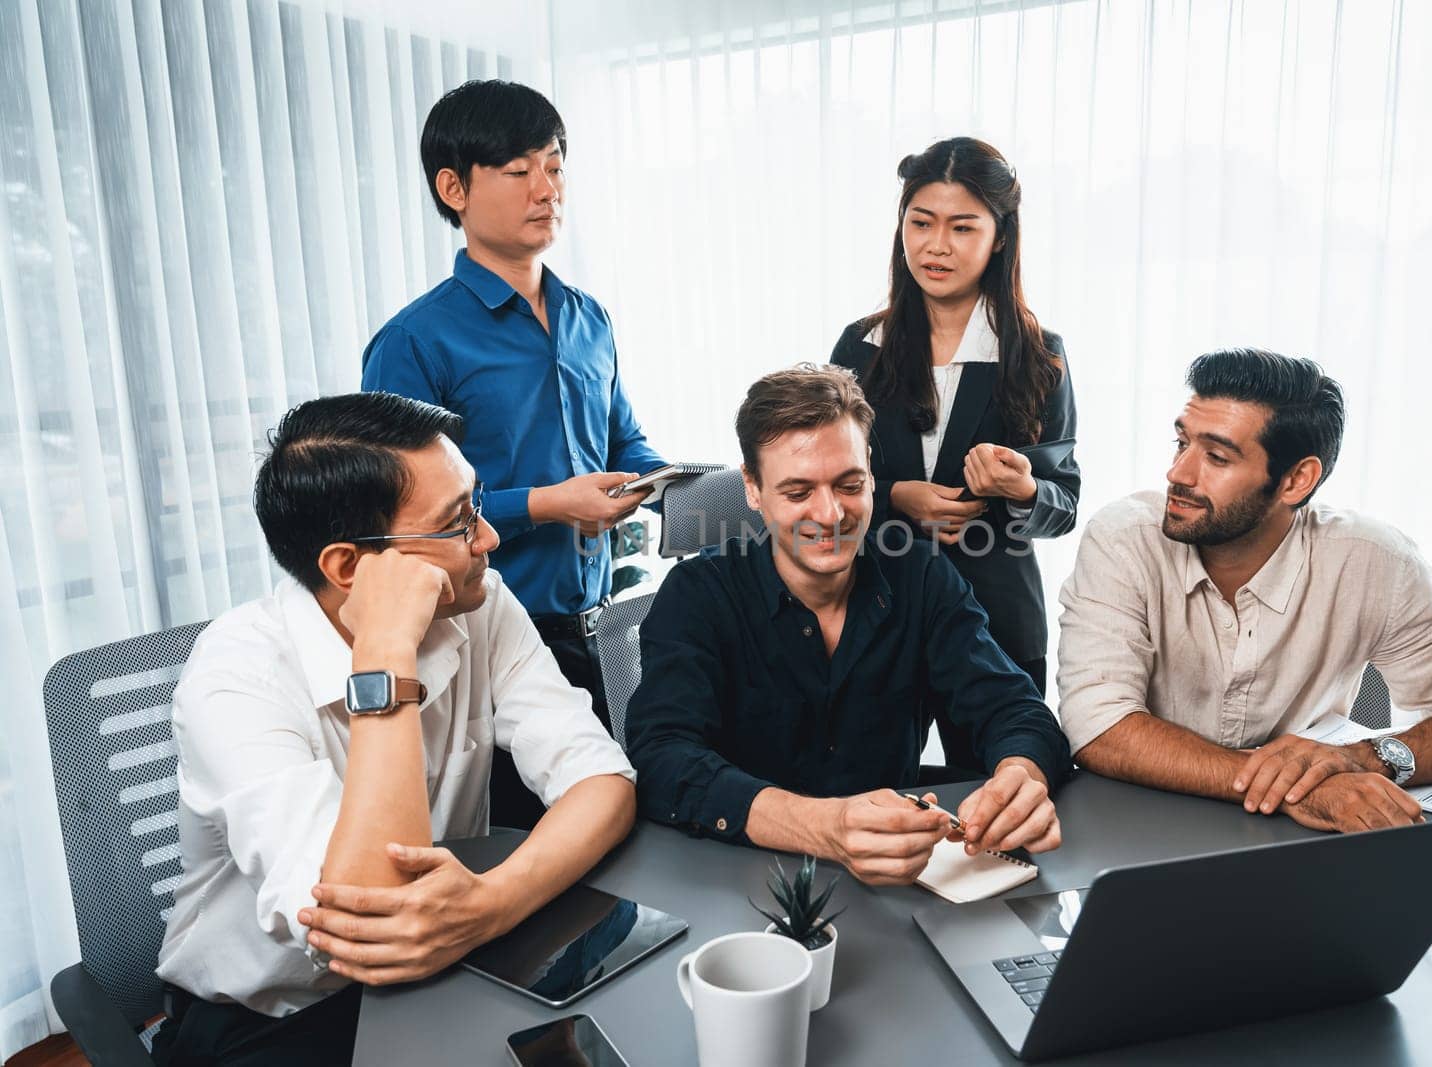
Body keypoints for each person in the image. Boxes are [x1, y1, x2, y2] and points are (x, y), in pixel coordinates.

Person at [153, 393, 636, 1065]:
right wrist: (384, 652)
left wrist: (491, 904)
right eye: (458, 523)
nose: (488, 539)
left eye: (478, 504)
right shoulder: (234, 676)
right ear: (350, 568)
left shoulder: (482, 602)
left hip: (448, 964)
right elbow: (368, 912)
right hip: (279, 1016)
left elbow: (602, 780)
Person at [625, 365, 1072, 885]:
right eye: (797, 492)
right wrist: (824, 826)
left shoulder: (921, 576)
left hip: (895, 883)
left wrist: (1021, 776)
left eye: (849, 484)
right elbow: (662, 758)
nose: (831, 513)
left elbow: (1016, 709)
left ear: (872, 478)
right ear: (752, 489)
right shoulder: (698, 594)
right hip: (732, 879)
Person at [1057, 349, 1432, 833]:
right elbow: (1099, 728)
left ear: (1295, 480)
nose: (1178, 474)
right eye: (1181, 443)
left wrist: (1365, 759)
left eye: (1217, 457)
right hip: (1132, 823)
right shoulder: (1123, 538)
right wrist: (1298, 786)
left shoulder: (1371, 559)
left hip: (1298, 837)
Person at [361, 79, 664, 749]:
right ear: (454, 189)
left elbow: (624, 442)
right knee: (528, 838)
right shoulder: (414, 342)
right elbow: (397, 526)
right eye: (519, 170)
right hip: (486, 641)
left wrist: (690, 487)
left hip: (603, 628)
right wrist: (549, 504)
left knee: (623, 812)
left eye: (555, 166)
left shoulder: (589, 318)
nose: (547, 189)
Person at [830, 136, 1080, 771]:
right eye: (921, 223)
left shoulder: (1037, 352)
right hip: (879, 606)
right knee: (867, 788)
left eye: (962, 227)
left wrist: (1022, 488)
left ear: (999, 237)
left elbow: (1064, 502)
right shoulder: (862, 346)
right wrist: (893, 498)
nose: (936, 245)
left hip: (996, 618)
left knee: (1000, 789)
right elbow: (825, 473)